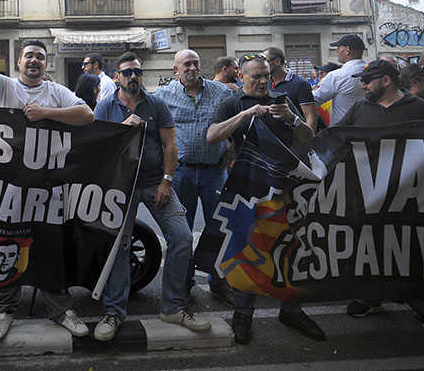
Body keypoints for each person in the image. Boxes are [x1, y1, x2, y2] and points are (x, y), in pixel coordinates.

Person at [0, 12, 94, 342]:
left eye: (40, 57)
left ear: (46, 64)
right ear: (19, 62)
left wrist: (46, 113)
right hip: (7, 189)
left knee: (51, 249)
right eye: (29, 56)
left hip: (47, 190)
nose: (34, 61)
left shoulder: (56, 92)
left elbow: (87, 115)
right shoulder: (5, 87)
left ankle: (61, 310)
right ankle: (3, 312)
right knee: (4, 248)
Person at [93, 53, 211, 341]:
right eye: (127, 72)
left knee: (182, 238)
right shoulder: (105, 107)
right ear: (117, 77)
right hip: (120, 188)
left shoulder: (155, 104)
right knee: (119, 246)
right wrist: (123, 131)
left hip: (154, 183)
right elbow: (97, 148)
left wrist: (167, 181)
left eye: (137, 71)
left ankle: (173, 306)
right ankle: (114, 312)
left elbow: (170, 145)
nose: (133, 76)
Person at [206, 55, 323, 345]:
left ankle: (292, 311)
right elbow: (211, 135)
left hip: (284, 189)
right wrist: (246, 115)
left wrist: (292, 119)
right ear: (241, 77)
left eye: (265, 76)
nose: (261, 82)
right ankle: (243, 316)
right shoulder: (232, 103)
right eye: (255, 76)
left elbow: (308, 136)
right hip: (247, 192)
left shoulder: (282, 100)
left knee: (290, 250)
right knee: (248, 253)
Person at [336, 61, 424, 333]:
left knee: (413, 251)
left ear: (386, 81)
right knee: (372, 250)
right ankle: (371, 297)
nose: (362, 85)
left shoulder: (423, 109)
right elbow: (336, 138)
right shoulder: (360, 108)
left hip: (412, 197)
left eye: (367, 80)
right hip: (369, 196)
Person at [154, 49, 234, 305]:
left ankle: (219, 282)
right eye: (186, 64)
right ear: (175, 70)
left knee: (218, 230)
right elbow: (156, 134)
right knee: (181, 232)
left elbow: (235, 124)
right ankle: (184, 283)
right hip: (181, 172)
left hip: (214, 172)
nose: (191, 68)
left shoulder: (222, 92)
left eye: (195, 63)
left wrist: (231, 150)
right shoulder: (164, 96)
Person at [312, 34, 366, 126]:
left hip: (342, 134)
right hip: (370, 131)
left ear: (347, 50)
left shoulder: (337, 76)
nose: (337, 50)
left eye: (339, 47)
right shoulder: (373, 71)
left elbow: (313, 100)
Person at [264, 47, 317, 131]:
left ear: (277, 61)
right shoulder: (266, 83)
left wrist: (309, 139)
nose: (263, 65)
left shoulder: (300, 84)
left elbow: (310, 116)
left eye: (265, 62)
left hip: (295, 137)